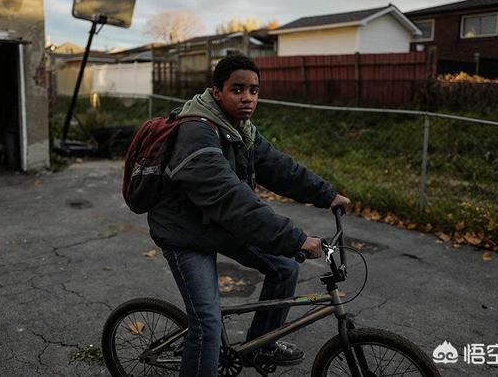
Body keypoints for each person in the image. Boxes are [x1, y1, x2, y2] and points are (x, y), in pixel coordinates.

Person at [147, 54, 350, 376]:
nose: (247, 98)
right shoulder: (196, 133)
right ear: (217, 92)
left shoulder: (241, 130)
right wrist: (294, 238)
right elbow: (231, 199)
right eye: (237, 89)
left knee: (285, 267)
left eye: (254, 91)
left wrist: (326, 194)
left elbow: (280, 168)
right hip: (185, 233)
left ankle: (261, 346)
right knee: (208, 324)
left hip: (218, 225)